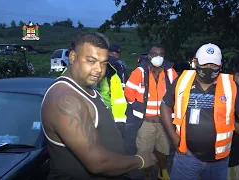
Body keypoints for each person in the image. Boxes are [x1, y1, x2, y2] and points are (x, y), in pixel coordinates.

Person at [41, 32, 156, 180]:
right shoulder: (66, 99)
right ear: (73, 57)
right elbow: (98, 163)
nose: (99, 70)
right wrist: (140, 160)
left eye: (103, 63)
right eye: (91, 61)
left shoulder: (87, 87)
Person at [160, 43, 239, 180]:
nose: (209, 69)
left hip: (218, 162)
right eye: (205, 65)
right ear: (195, 62)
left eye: (214, 65)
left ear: (220, 65)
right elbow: (165, 106)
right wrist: (172, 136)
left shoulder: (230, 85)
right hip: (187, 157)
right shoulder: (182, 80)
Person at [124, 44, 178, 180]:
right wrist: (137, 107)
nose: (157, 57)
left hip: (165, 122)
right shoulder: (140, 72)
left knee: (164, 150)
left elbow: (178, 92)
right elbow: (128, 92)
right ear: (149, 56)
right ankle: (148, 174)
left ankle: (163, 171)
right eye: (154, 54)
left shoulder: (170, 73)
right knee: (144, 151)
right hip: (146, 122)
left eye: (161, 54)